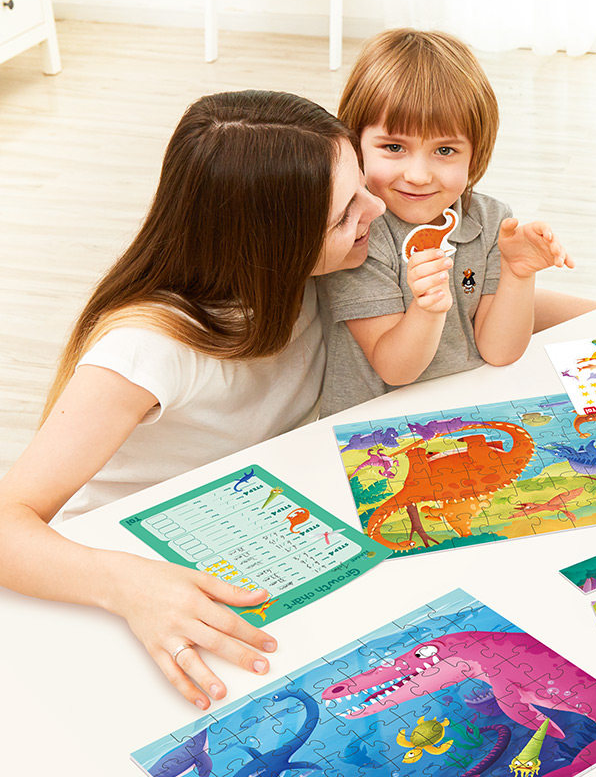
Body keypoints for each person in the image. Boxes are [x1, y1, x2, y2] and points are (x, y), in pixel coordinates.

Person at [0, 90, 384, 709]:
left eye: (362, 184)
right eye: (345, 212)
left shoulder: (319, 274)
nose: (378, 207)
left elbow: (475, 314)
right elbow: (6, 523)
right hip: (121, 580)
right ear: (274, 243)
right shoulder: (146, 347)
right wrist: (126, 585)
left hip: (244, 536)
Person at [317, 29, 576, 416]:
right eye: (394, 147)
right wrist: (427, 310)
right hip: (376, 428)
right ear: (355, 143)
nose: (418, 175)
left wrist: (518, 275)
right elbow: (394, 369)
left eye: (444, 150)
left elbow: (500, 351)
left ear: (476, 153)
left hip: (465, 411)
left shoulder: (491, 220)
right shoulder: (360, 233)